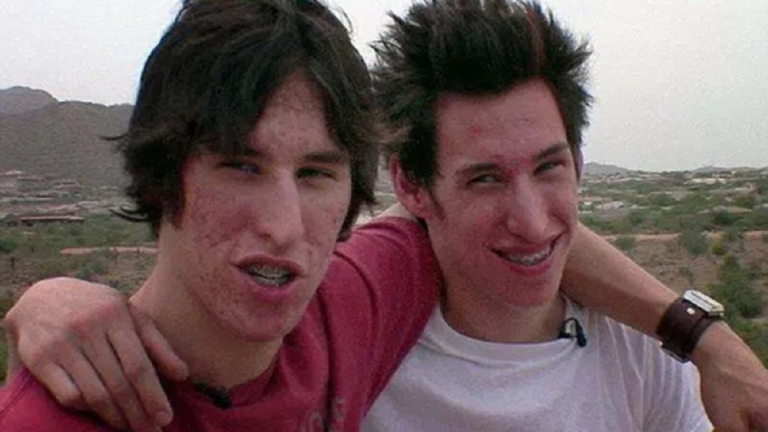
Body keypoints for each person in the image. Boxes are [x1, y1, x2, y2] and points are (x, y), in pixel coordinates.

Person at [3, 0, 768, 431]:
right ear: (157, 173)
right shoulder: (61, 416)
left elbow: (534, 236)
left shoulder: (353, 304)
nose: (284, 224)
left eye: (316, 174)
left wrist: (705, 337)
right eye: (239, 165)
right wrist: (47, 298)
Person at [363, 1, 709, 429]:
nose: (532, 223)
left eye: (548, 167)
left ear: (577, 162)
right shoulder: (358, 361)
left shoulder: (640, 352)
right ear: (412, 187)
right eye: (485, 179)